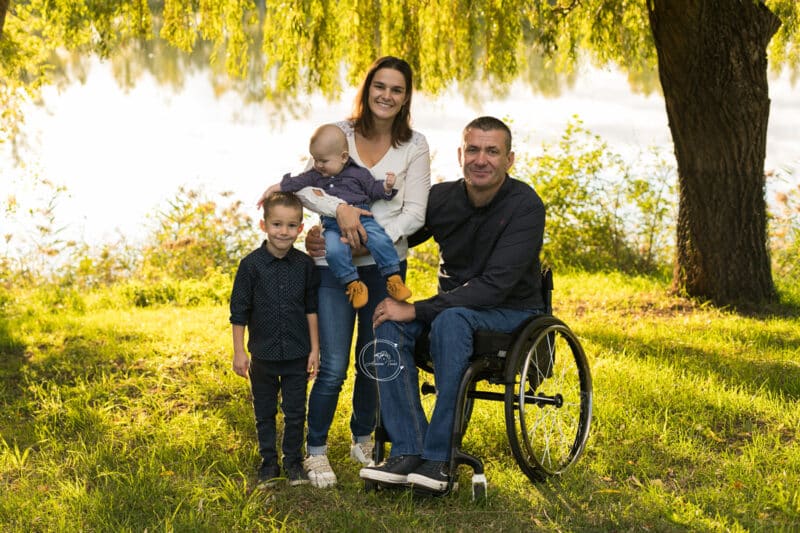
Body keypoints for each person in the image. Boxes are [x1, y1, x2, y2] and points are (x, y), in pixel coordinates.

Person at [259, 56, 431, 488]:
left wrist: (366, 234)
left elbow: (414, 213)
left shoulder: (415, 145)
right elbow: (311, 189)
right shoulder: (339, 133)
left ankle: (363, 437)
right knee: (333, 364)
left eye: (396, 89)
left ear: (406, 96)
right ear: (367, 88)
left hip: (385, 265)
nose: (386, 96)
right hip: (332, 268)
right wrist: (341, 212)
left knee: (374, 360)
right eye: (380, 86)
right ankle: (316, 450)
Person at [357, 116, 547, 493]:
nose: (481, 159)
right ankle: (408, 450)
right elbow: (397, 235)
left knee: (449, 319)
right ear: (461, 154)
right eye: (473, 149)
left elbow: (494, 287)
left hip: (513, 315)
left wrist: (418, 308)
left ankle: (440, 459)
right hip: (453, 311)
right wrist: (348, 240)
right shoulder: (441, 199)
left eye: (492, 151)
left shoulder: (526, 206)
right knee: (387, 323)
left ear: (509, 159)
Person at [265, 123, 412, 309]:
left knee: (380, 239)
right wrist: (276, 188)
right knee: (333, 250)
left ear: (343, 157)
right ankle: (353, 283)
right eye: (315, 159)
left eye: (323, 161)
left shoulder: (358, 173)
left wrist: (387, 187)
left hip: (363, 218)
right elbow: (298, 182)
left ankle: (393, 278)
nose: (318, 165)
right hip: (332, 224)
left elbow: (373, 189)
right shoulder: (315, 175)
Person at [229, 192, 321, 488]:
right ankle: (269, 463)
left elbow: (311, 309)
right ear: (263, 225)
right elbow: (239, 311)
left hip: (297, 353)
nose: (284, 232)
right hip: (262, 356)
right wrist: (238, 352)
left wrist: (315, 350)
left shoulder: (305, 265)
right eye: (277, 224)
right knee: (264, 413)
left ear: (301, 228)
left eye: (291, 225)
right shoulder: (251, 265)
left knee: (296, 413)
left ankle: (293, 463)